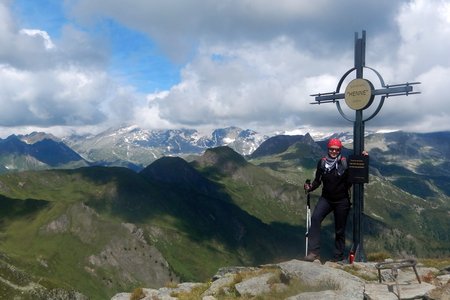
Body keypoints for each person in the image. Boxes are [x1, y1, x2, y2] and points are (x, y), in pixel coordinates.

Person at [303, 138, 367, 262]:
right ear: (328, 149)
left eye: (336, 149)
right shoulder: (322, 163)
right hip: (326, 199)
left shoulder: (344, 163)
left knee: (339, 230)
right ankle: (313, 253)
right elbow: (317, 180)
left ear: (340, 150)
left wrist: (363, 158)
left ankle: (338, 258)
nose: (333, 151)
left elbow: (357, 167)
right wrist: (310, 188)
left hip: (342, 201)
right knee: (315, 219)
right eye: (331, 149)